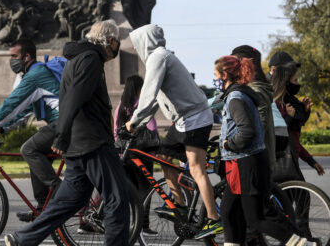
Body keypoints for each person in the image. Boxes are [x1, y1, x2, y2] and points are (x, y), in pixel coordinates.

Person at [4, 20, 129, 246]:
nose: (117, 48)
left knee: (68, 202)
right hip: (93, 143)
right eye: (117, 42)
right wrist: (61, 135)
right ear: (110, 41)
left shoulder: (78, 58)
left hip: (79, 144)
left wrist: (65, 136)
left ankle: (22, 239)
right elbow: (74, 97)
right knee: (117, 200)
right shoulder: (91, 59)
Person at [125, 24, 220, 239]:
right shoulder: (158, 59)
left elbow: (148, 96)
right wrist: (138, 122)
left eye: (136, 42)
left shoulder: (158, 58)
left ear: (144, 41)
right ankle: (179, 205)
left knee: (196, 169)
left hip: (195, 118)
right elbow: (154, 102)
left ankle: (214, 219)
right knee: (164, 156)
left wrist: (132, 123)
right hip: (183, 120)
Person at [214, 55, 309, 246]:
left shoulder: (236, 98)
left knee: (256, 218)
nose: (214, 79)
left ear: (224, 75)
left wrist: (227, 144)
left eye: (215, 75)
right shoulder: (240, 94)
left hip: (245, 163)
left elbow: (247, 131)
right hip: (243, 162)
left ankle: (300, 243)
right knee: (229, 213)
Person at [0, 38, 63, 221]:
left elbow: (11, 104)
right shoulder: (35, 74)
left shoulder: (35, 75)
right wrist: (2, 129)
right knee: (35, 155)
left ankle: (62, 192)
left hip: (64, 123)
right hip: (62, 123)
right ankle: (43, 207)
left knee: (28, 149)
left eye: (14, 56)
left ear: (27, 57)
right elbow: (24, 110)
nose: (10, 60)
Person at [270, 57, 325, 176]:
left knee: (299, 194)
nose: (298, 84)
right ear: (286, 81)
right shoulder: (278, 105)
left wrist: (311, 161)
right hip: (282, 164)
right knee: (299, 194)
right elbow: (278, 135)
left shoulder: (290, 103)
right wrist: (289, 117)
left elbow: (294, 140)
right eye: (295, 80)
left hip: (291, 161)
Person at [230, 45, 277, 173]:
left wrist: (237, 142)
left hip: (254, 158)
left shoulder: (256, 90)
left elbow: (259, 125)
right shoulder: (250, 88)